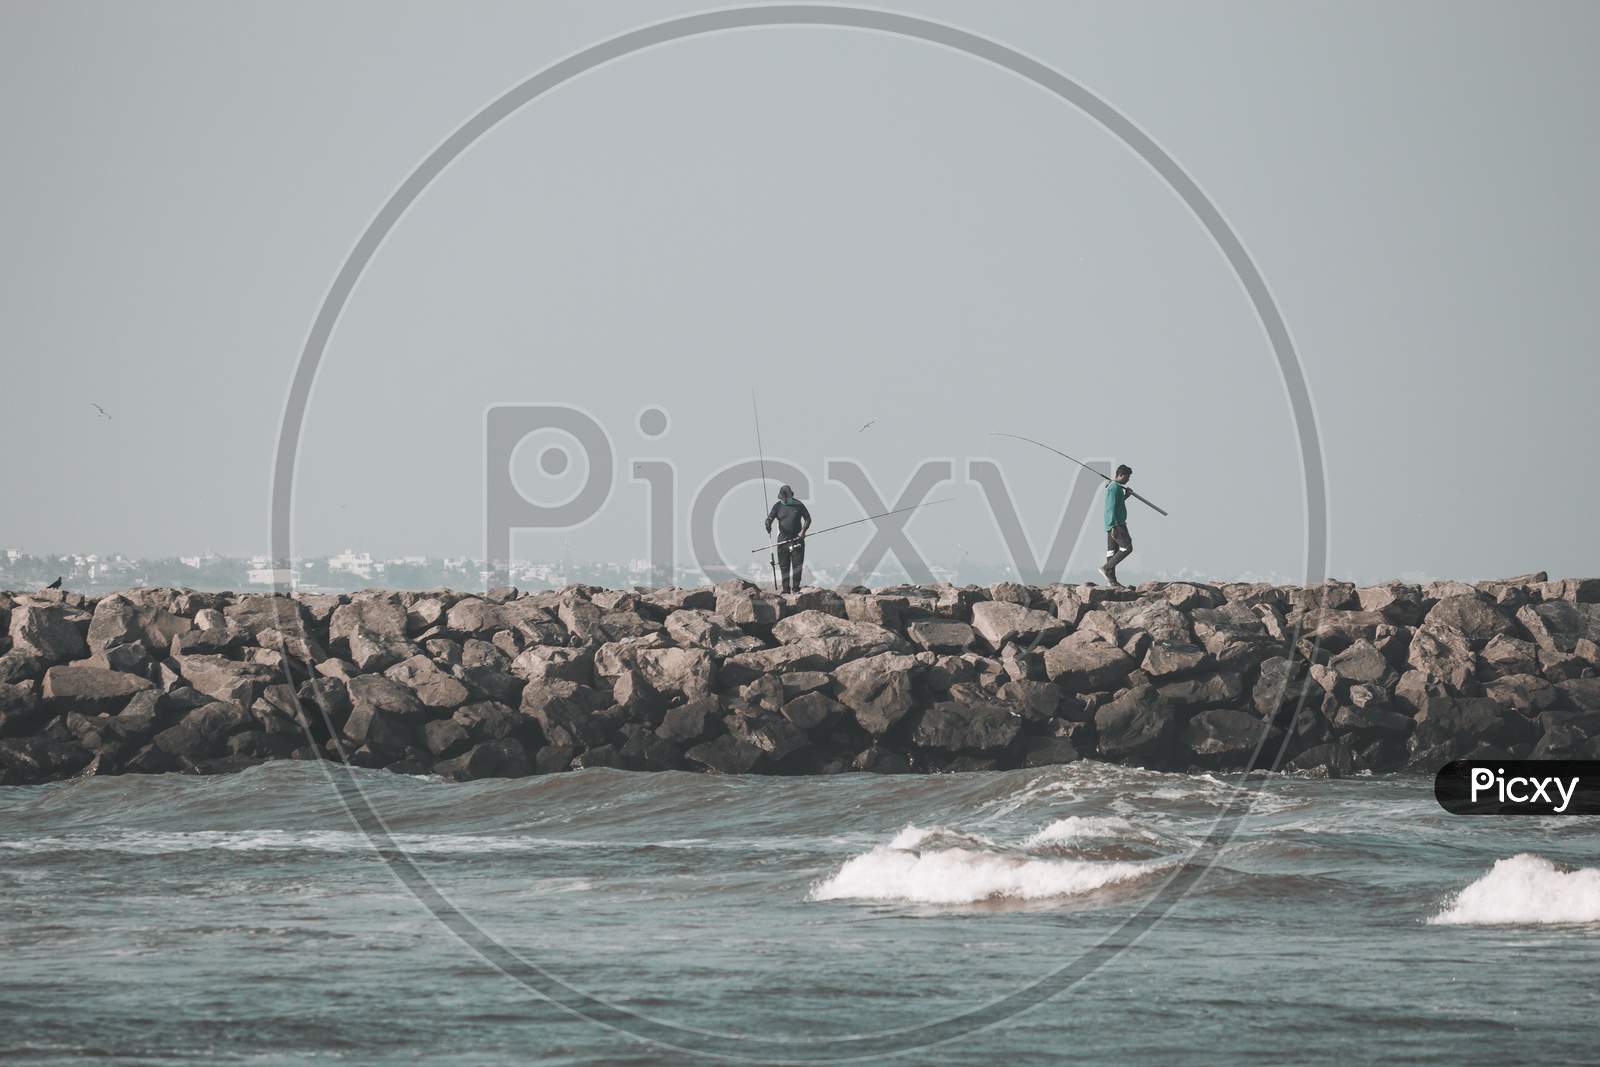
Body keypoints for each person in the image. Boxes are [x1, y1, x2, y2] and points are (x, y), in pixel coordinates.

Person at [765, 484, 811, 593]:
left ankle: (796, 588)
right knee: (784, 566)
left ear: (791, 496)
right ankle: (786, 589)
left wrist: (803, 531)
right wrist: (768, 523)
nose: (784, 501)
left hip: (797, 539)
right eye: (782, 499)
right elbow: (769, 518)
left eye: (786, 499)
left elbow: (808, 519)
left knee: (797, 566)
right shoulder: (777, 506)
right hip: (782, 541)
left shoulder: (799, 505)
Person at [1100, 464, 1134, 588]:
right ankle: (1106, 568)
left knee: (1111, 552)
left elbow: (1117, 504)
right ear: (1121, 475)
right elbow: (1110, 508)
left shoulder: (1116, 488)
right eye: (1127, 477)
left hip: (1112, 523)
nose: (1128, 480)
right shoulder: (1114, 488)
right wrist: (1113, 526)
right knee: (1127, 547)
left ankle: (1112, 581)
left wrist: (1126, 496)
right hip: (1116, 524)